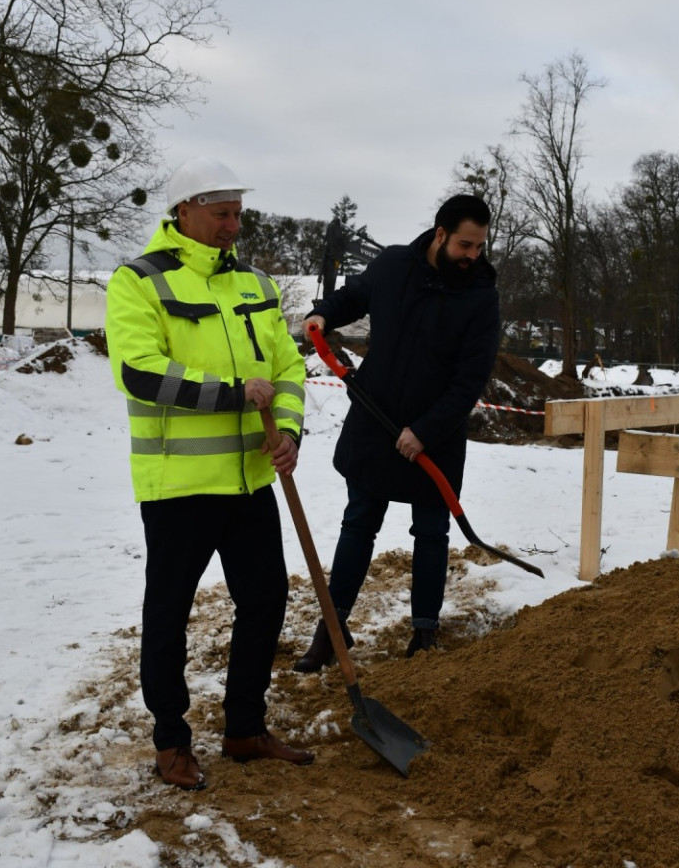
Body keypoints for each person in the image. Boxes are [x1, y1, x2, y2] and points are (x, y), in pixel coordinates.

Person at [105, 156, 313, 791]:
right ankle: (171, 739)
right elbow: (139, 371)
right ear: (184, 212)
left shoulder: (254, 284)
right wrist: (229, 393)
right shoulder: (139, 281)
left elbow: (287, 371)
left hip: (250, 479)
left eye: (237, 213)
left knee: (266, 599)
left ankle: (244, 728)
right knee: (169, 612)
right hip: (180, 487)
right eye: (221, 213)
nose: (233, 225)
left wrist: (292, 432)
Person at [294, 194, 500, 671]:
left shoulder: (481, 297)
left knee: (431, 532)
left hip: (435, 434)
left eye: (480, 247)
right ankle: (331, 628)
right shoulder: (392, 265)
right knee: (359, 521)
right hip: (375, 417)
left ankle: (424, 633)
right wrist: (325, 312)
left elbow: (470, 380)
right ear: (441, 234)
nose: (474, 256)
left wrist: (425, 431)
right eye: (466, 245)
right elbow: (354, 296)